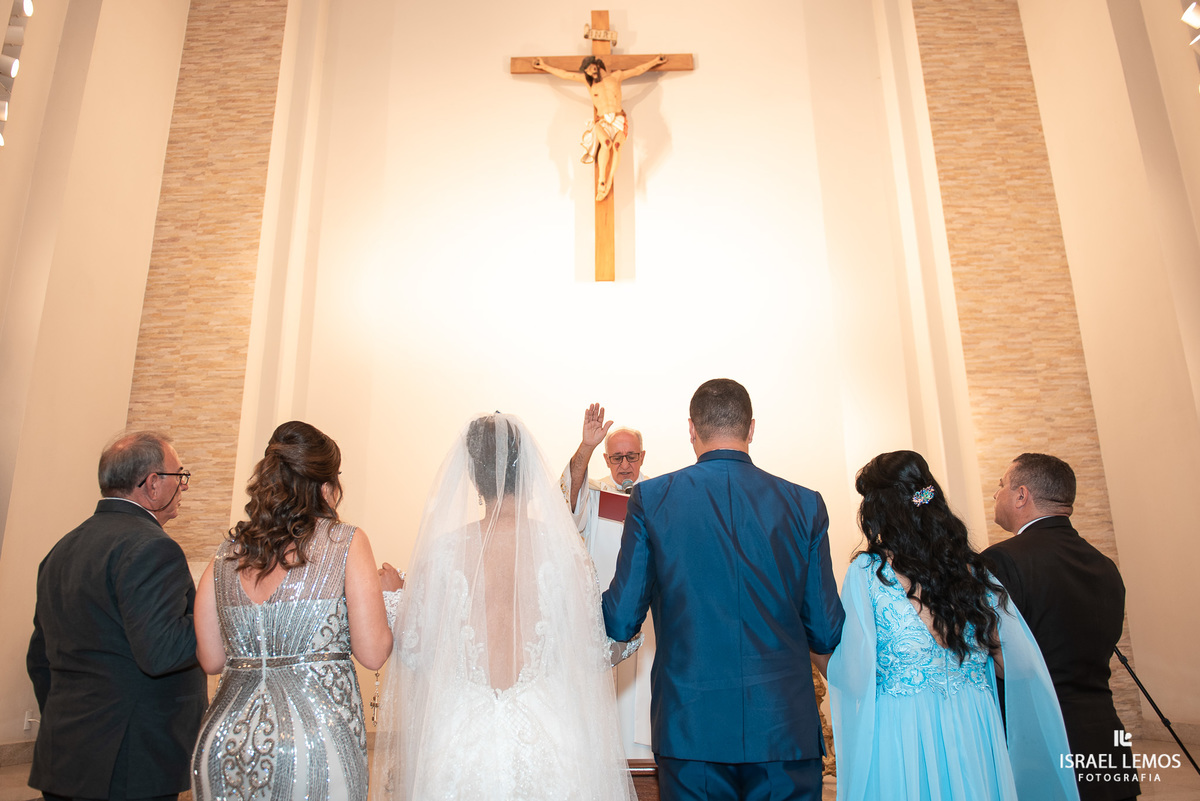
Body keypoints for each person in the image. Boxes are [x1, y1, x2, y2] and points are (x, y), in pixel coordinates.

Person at [371, 413, 636, 801]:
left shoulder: (443, 552)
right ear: (528, 474)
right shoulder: (568, 556)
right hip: (547, 737)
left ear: (474, 478)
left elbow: (413, 649)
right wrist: (630, 634)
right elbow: (590, 651)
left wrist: (395, 598)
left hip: (460, 741)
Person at [602, 378, 845, 801]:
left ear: (692, 430)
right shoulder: (805, 504)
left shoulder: (651, 499)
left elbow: (622, 621)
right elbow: (825, 631)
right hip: (784, 729)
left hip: (691, 728)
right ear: (751, 429)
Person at [827, 450, 1078, 801]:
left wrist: (806, 645)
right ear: (928, 501)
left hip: (903, 733)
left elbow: (853, 676)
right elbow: (1015, 666)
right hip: (973, 727)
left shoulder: (868, 574)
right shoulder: (972, 572)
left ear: (878, 509)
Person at [191, 421, 400, 801]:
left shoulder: (225, 556)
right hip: (316, 742)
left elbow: (210, 659)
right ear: (325, 486)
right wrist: (389, 599)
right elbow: (372, 653)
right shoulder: (345, 541)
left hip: (226, 740)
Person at [27, 431, 206, 801]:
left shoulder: (63, 548)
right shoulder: (154, 547)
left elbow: (39, 658)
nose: (184, 488)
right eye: (179, 475)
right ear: (153, 484)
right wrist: (213, 612)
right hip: (129, 760)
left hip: (64, 753)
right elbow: (163, 653)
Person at [984, 453, 1139, 801]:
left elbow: (992, 652)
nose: (995, 495)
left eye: (1000, 486)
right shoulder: (1104, 565)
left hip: (1039, 744)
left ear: (1021, 495)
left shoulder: (1000, 560)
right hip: (1103, 741)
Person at [559, 402, 656, 759]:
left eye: (631, 456)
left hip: (649, 625)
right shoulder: (596, 494)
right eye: (616, 458)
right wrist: (585, 446)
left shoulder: (661, 495)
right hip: (601, 620)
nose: (625, 465)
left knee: (643, 713)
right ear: (605, 460)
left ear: (643, 456)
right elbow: (566, 504)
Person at [531, 53, 667, 200]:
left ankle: (609, 181)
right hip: (602, 120)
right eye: (587, 71)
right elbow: (564, 75)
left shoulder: (616, 77)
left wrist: (654, 62)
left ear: (597, 64)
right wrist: (544, 66)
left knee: (616, 146)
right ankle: (602, 180)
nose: (590, 72)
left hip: (619, 119)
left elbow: (637, 70)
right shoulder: (588, 82)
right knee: (606, 143)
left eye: (591, 68)